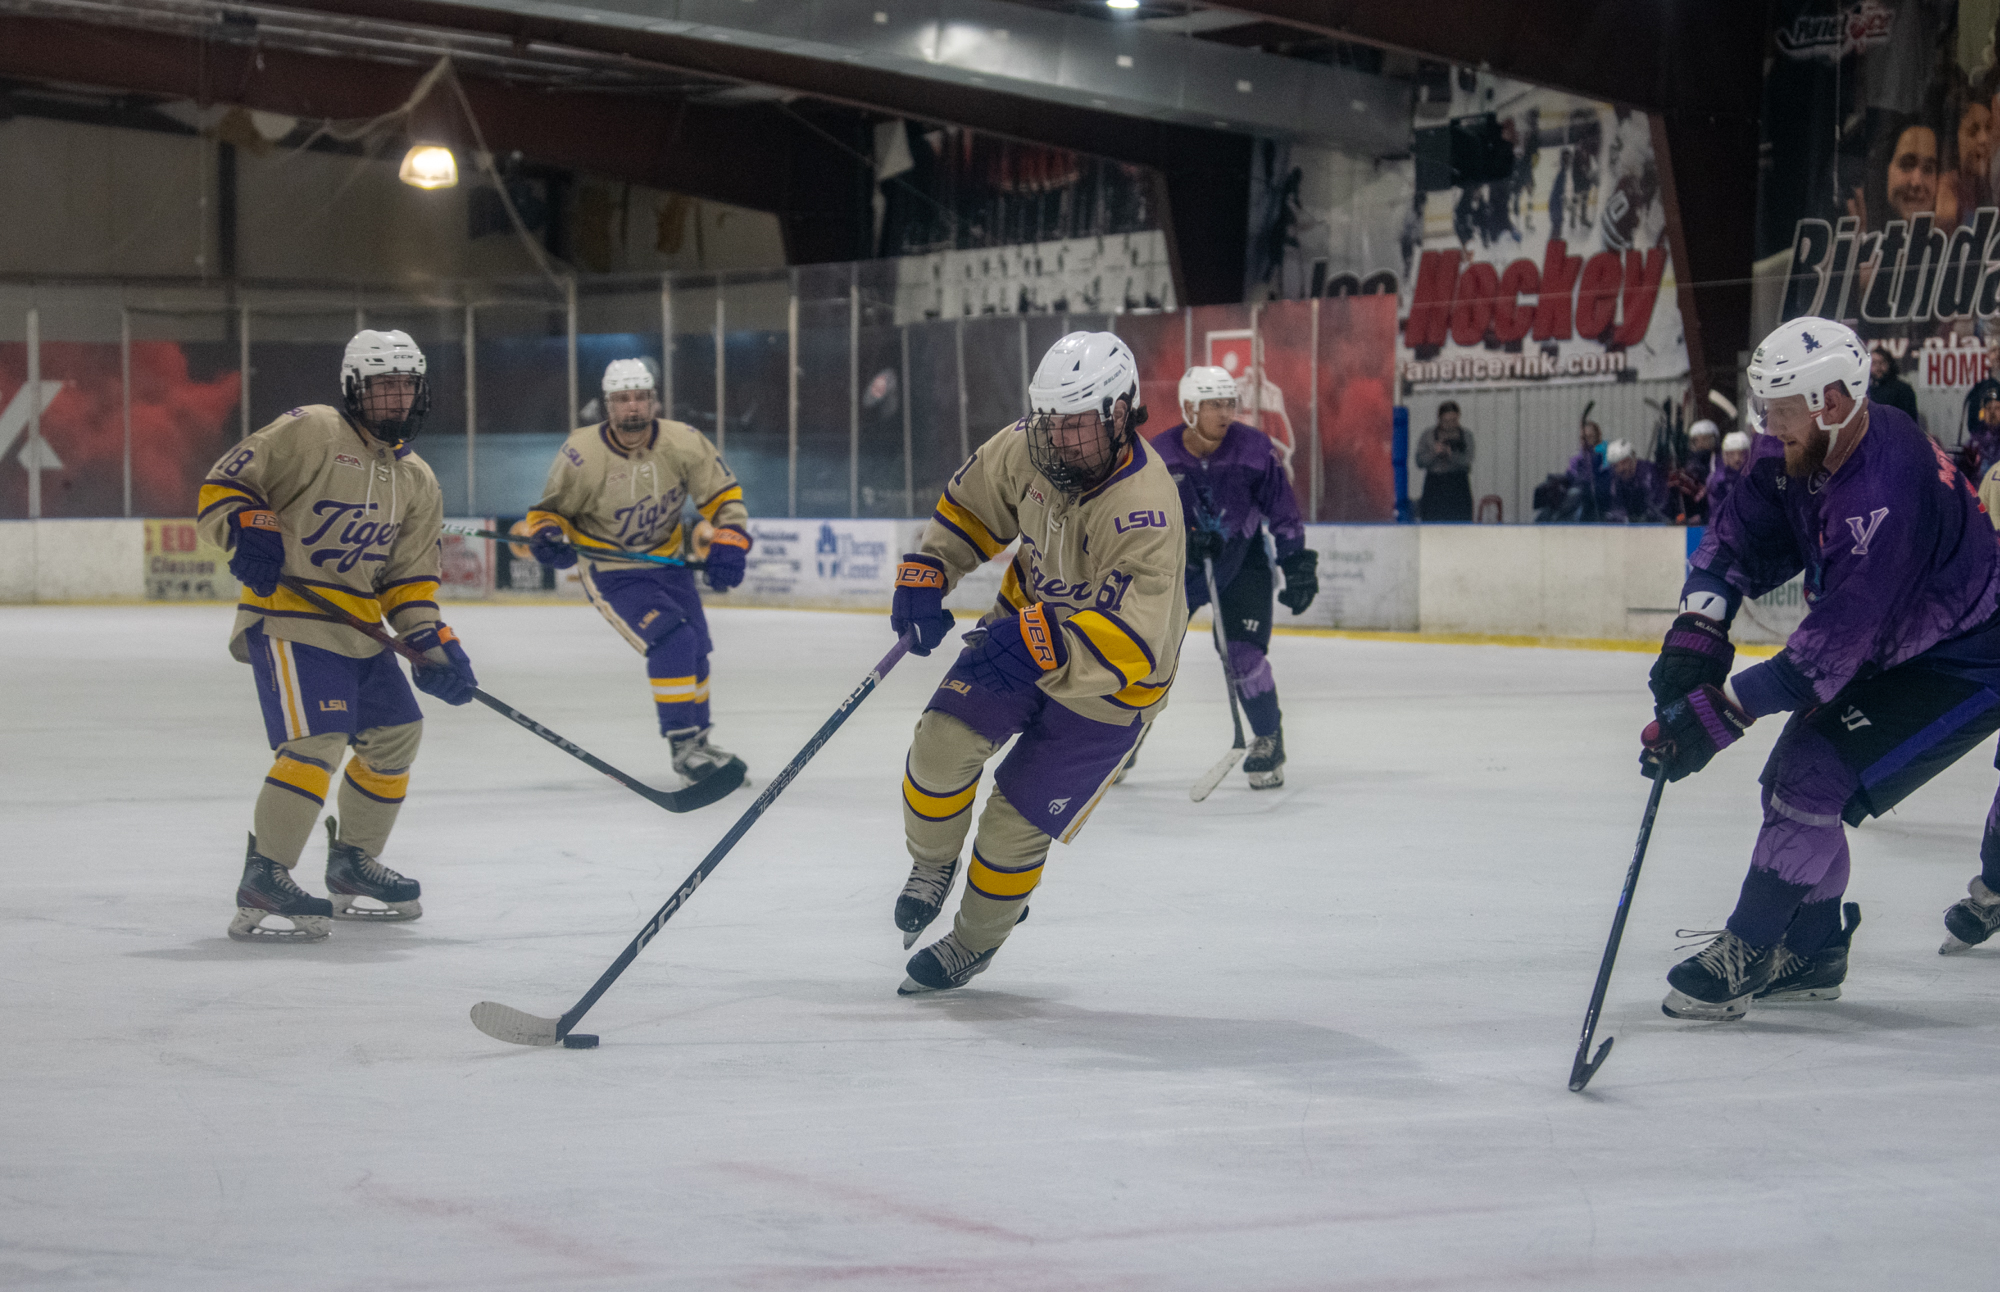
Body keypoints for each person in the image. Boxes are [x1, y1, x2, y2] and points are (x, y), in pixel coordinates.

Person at [1640, 316, 2000, 1021]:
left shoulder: (1884, 491)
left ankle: (1751, 945)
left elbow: (1826, 654)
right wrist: (1698, 631)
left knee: (1812, 772)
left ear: (1831, 401)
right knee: (1790, 780)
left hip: (1967, 657)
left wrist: (1712, 716)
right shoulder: (1806, 445)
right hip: (1898, 644)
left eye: (1779, 412)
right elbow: (1737, 532)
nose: (1767, 430)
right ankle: (1813, 950)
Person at [887, 331, 1187, 994]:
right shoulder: (1030, 444)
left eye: (1076, 425)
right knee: (940, 745)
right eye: (1050, 421)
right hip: (1020, 635)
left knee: (1009, 829)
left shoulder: (1146, 508)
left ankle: (973, 941)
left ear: (1121, 412)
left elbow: (1133, 643)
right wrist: (928, 568)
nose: (1057, 441)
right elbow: (971, 508)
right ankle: (932, 865)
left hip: (1111, 692)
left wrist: (1040, 645)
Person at [197, 329, 477, 943]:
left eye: (406, 385)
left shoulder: (419, 480)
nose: (396, 398)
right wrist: (249, 525)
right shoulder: (314, 430)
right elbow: (224, 485)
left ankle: (352, 862)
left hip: (361, 632)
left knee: (398, 734)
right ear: (355, 389)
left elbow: (408, 581)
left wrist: (436, 644)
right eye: (383, 387)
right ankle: (265, 873)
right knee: (317, 741)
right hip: (291, 616)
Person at [524, 359, 753, 789]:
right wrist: (550, 535)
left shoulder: (684, 442)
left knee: (698, 648)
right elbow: (549, 512)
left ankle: (701, 741)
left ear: (655, 400)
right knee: (673, 639)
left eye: (641, 397)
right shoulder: (581, 452)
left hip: (668, 564)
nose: (633, 407)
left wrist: (730, 539)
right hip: (613, 571)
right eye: (623, 399)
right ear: (607, 406)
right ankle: (684, 748)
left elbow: (723, 497)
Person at [1152, 365, 1317, 789]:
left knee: (1243, 656)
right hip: (1179, 571)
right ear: (1190, 408)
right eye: (1215, 404)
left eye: (1230, 403)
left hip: (1243, 564)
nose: (1226, 413)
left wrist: (1296, 564)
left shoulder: (1254, 449)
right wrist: (1184, 544)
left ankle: (1267, 738)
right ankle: (1121, 740)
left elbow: (1282, 511)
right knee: (1147, 654)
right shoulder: (1159, 457)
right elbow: (1142, 524)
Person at [1415, 402, 1474, 522]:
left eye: (1453, 420)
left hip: (1458, 485)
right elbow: (1419, 462)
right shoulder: (1428, 435)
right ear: (1439, 419)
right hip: (1434, 485)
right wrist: (1434, 453)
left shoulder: (1466, 436)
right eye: (1446, 421)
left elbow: (1467, 460)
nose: (1450, 425)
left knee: (1460, 523)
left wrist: (1451, 454)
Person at [1603, 439, 1669, 523]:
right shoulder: (1616, 480)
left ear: (1633, 458)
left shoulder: (1648, 473)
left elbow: (1659, 505)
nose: (1620, 469)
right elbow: (1616, 506)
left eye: (1624, 462)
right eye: (1615, 466)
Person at [1668, 419, 1721, 522]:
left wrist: (1704, 517)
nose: (1701, 444)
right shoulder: (1688, 465)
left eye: (1706, 439)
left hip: (1713, 518)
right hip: (1691, 520)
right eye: (1697, 440)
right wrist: (1681, 516)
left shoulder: (1720, 462)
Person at [1707, 429, 1752, 517]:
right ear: (1725, 456)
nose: (1737, 459)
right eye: (1731, 454)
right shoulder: (1718, 482)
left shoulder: (1755, 478)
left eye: (1742, 453)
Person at [1868, 348, 1918, 421]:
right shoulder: (1866, 390)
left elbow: (1908, 420)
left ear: (1889, 364)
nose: (1878, 367)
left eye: (1882, 362)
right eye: (1874, 363)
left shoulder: (1903, 389)